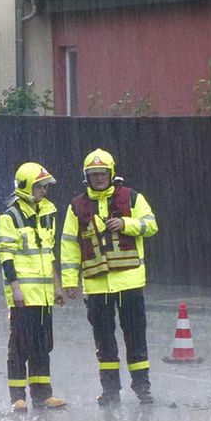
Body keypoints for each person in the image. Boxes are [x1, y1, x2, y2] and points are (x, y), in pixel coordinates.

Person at [61, 148, 159, 406]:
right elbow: (69, 244)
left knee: (135, 337)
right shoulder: (76, 206)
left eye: (103, 173)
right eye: (94, 174)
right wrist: (70, 281)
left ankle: (142, 388)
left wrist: (127, 224)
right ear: (87, 177)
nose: (99, 178)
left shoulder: (132, 197)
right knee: (104, 342)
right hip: (96, 286)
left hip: (129, 283)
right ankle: (110, 391)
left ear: (111, 173)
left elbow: (151, 225)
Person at [0, 162, 68, 412]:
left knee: (42, 345)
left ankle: (42, 394)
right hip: (23, 296)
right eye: (40, 187)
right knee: (19, 347)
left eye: (45, 187)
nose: (44, 192)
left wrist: (57, 287)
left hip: (44, 295)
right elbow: (5, 256)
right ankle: (18, 397)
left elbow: (49, 254)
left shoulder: (48, 214)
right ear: (27, 187)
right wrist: (15, 288)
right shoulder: (10, 217)